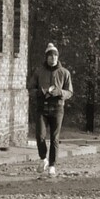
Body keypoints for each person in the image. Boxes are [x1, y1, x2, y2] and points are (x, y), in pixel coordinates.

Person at [33, 42, 73, 176]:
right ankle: (43, 158)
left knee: (55, 138)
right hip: (42, 107)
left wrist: (60, 92)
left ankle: (52, 165)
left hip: (57, 108)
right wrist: (40, 92)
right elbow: (30, 88)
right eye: (50, 56)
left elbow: (70, 92)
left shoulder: (64, 73)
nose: (53, 58)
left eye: (55, 56)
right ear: (46, 57)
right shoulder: (39, 72)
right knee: (40, 136)